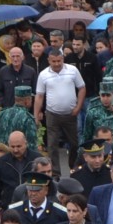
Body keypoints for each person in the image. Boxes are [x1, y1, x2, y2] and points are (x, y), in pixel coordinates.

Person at [36, 46, 86, 178]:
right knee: (52, 145)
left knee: (75, 143)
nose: (57, 64)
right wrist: (37, 115)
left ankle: (73, 167)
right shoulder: (43, 75)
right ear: (49, 60)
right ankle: (56, 173)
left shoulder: (72, 70)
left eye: (59, 61)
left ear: (63, 59)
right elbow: (39, 96)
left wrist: (78, 107)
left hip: (71, 114)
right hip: (52, 114)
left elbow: (81, 88)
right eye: (54, 61)